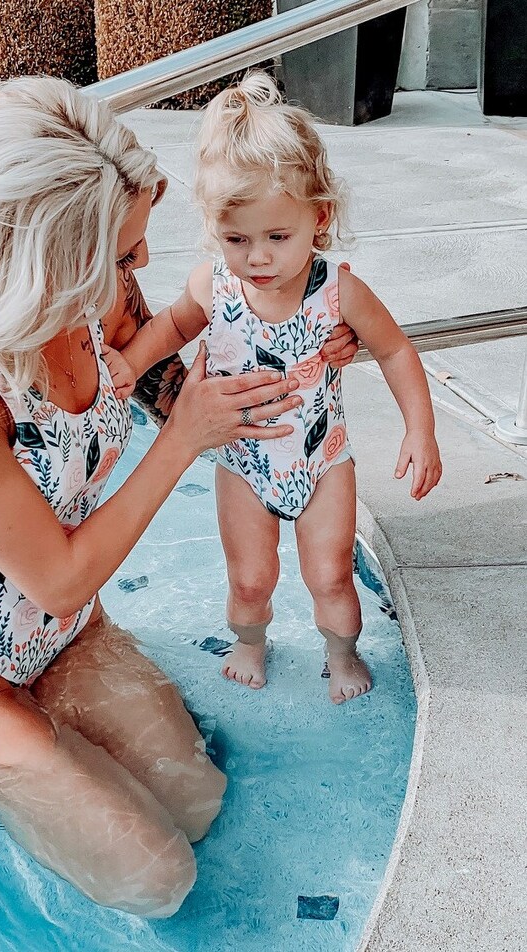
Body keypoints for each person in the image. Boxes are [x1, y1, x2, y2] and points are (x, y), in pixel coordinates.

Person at [0, 75, 360, 918]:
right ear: (46, 256)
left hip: (69, 638)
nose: (140, 270)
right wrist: (182, 439)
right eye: (123, 256)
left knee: (199, 803)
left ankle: (57, 776)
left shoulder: (94, 296)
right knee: (156, 881)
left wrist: (304, 343)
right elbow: (58, 578)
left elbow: (187, 394)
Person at [103, 72, 442, 703]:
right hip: (242, 463)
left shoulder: (339, 292)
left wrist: (419, 430)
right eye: (237, 240)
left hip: (322, 462)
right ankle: (250, 643)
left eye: (277, 238)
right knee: (250, 578)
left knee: (330, 575)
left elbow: (395, 348)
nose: (257, 257)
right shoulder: (215, 286)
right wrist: (129, 361)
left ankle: (341, 653)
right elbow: (171, 326)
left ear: (319, 218)